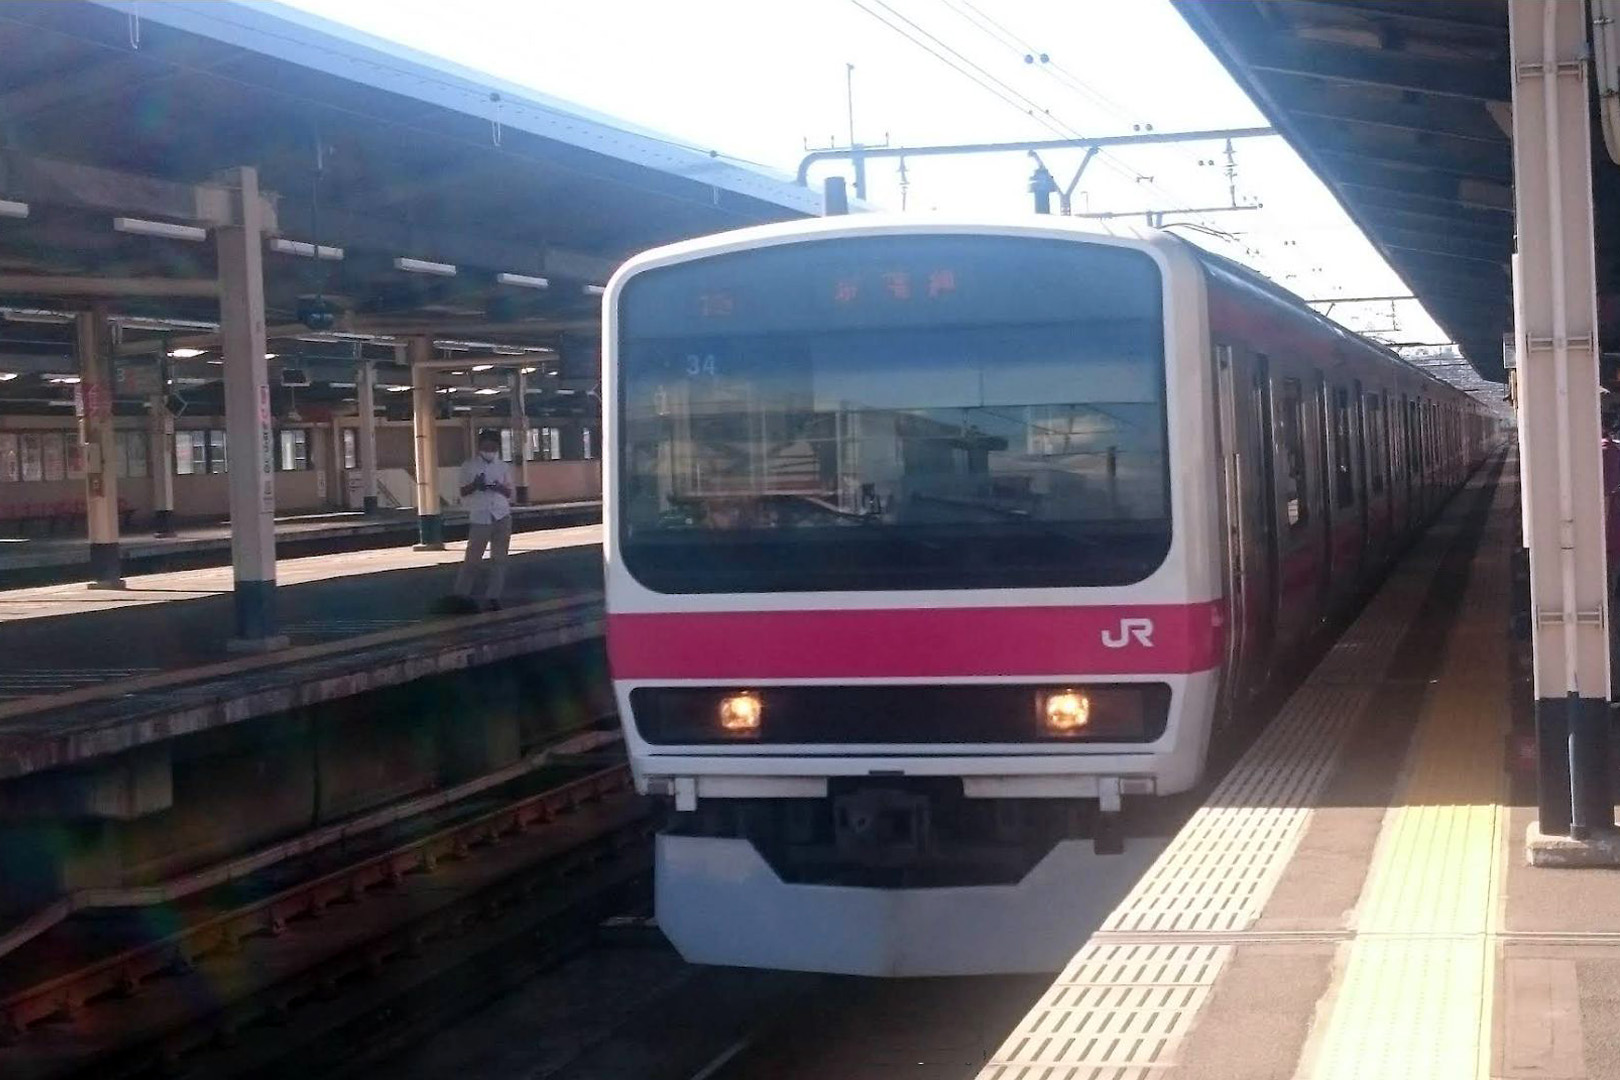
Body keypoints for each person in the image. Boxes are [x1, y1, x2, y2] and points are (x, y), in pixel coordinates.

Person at [453, 429, 515, 610]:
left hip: (502, 515)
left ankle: (493, 596)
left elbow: (509, 492)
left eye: (493, 447)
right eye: (486, 447)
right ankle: (461, 595)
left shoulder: (503, 467)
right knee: (472, 559)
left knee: (499, 559)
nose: (490, 450)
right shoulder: (469, 466)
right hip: (480, 516)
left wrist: (497, 487)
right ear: (480, 446)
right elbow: (463, 491)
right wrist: (475, 485)